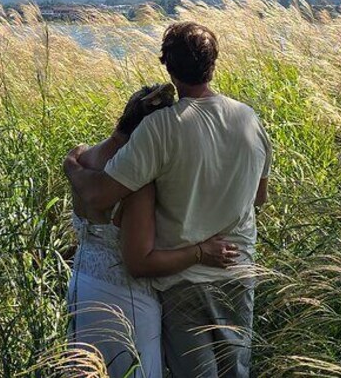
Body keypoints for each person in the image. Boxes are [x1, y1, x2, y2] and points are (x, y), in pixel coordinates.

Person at [65, 22, 272, 378]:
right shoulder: (248, 119)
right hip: (238, 271)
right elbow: (260, 196)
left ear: (169, 67)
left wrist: (71, 167)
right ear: (213, 64)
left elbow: (100, 194)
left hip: (183, 280)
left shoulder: (160, 128)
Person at [67, 82, 240, 378]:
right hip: (124, 300)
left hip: (82, 286)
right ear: (152, 130)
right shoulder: (136, 181)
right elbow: (140, 263)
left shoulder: (81, 158)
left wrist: (69, 164)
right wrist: (201, 252)